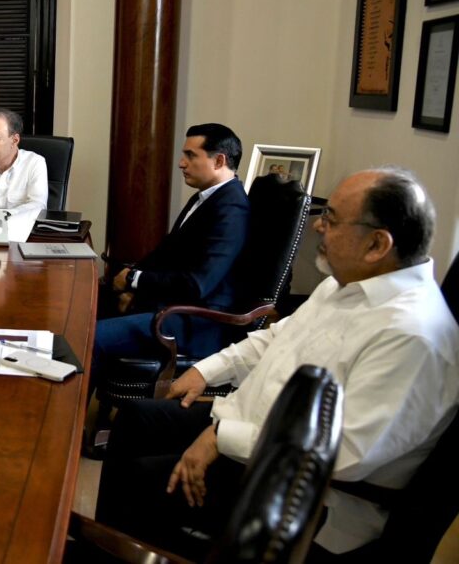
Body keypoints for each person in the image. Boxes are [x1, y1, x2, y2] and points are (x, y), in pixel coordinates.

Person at [95, 168, 459, 560]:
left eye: (332, 219)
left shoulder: (411, 334)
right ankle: (108, 549)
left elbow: (343, 454)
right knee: (134, 418)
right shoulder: (346, 282)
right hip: (251, 428)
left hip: (304, 491)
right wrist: (207, 370)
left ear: (376, 244)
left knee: (142, 482)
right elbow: (276, 336)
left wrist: (221, 438)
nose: (319, 226)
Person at [92, 124, 250, 383]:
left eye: (190, 155)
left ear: (219, 160)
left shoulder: (232, 210)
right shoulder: (206, 198)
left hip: (194, 322)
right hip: (172, 306)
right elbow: (164, 255)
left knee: (90, 337)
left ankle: (70, 421)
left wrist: (134, 281)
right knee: (81, 310)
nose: (181, 163)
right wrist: (131, 286)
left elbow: (198, 285)